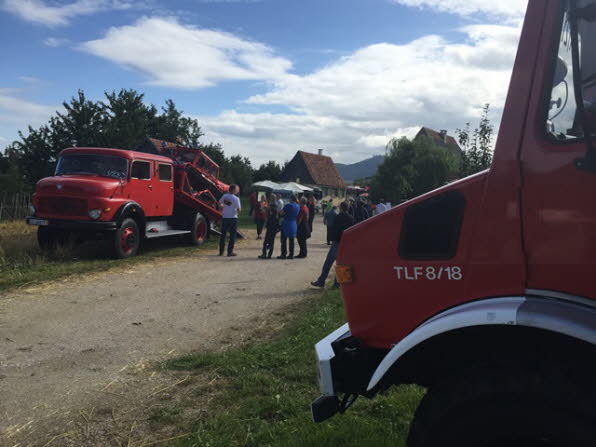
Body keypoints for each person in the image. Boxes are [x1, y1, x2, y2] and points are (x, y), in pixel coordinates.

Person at [311, 201, 354, 288]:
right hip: (346, 243)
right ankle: (340, 284)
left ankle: (321, 281)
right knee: (343, 263)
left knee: (329, 262)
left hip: (337, 242)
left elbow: (334, 229)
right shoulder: (351, 218)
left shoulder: (338, 217)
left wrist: (332, 239)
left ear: (341, 208)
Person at [218, 184, 241, 257]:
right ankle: (229, 252)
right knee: (232, 235)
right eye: (236, 189)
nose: (237, 191)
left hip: (225, 217)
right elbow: (239, 209)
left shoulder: (225, 196)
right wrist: (236, 209)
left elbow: (220, 204)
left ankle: (221, 251)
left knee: (223, 235)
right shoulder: (236, 198)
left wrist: (224, 206)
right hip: (233, 218)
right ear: (233, 190)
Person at [278, 195, 300, 259]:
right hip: (293, 223)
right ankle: (291, 254)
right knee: (291, 240)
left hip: (286, 223)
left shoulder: (288, 205)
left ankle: (283, 254)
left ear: (291, 199)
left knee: (283, 240)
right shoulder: (298, 206)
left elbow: (281, 213)